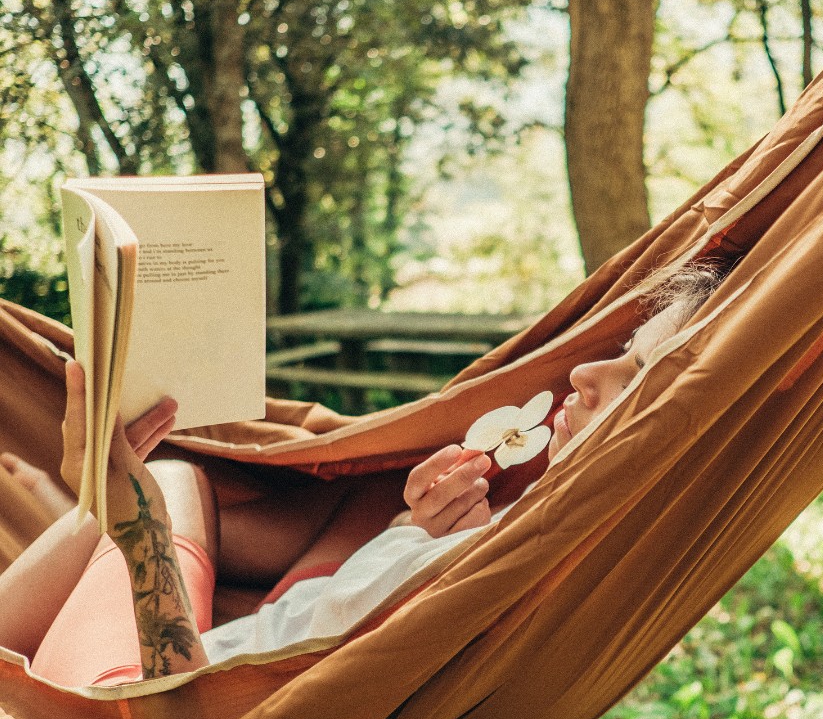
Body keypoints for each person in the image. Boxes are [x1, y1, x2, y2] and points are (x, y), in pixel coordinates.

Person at [0, 263, 726, 685]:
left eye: (635, 376)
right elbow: (366, 602)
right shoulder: (533, 524)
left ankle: (85, 523)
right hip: (279, 622)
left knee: (164, 489)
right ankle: (80, 522)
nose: (585, 371)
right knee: (226, 482)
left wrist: (133, 522)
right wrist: (415, 525)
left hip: (135, 694)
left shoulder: (538, 570)